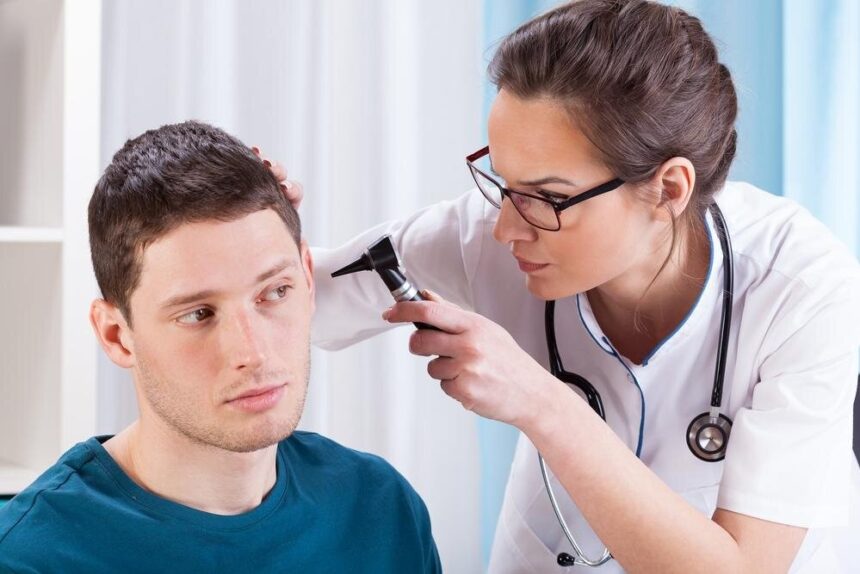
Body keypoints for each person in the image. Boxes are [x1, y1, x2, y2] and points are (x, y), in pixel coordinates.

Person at [299, 1, 860, 571]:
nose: (506, 228)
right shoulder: (484, 235)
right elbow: (297, 298)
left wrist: (540, 402)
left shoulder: (801, 288)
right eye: (504, 181)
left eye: (548, 197)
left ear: (669, 189)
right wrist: (261, 217)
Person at [0, 121, 441, 573]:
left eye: (275, 292)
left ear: (308, 281)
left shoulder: (381, 510)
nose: (253, 352)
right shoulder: (29, 558)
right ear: (116, 335)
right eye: (197, 314)